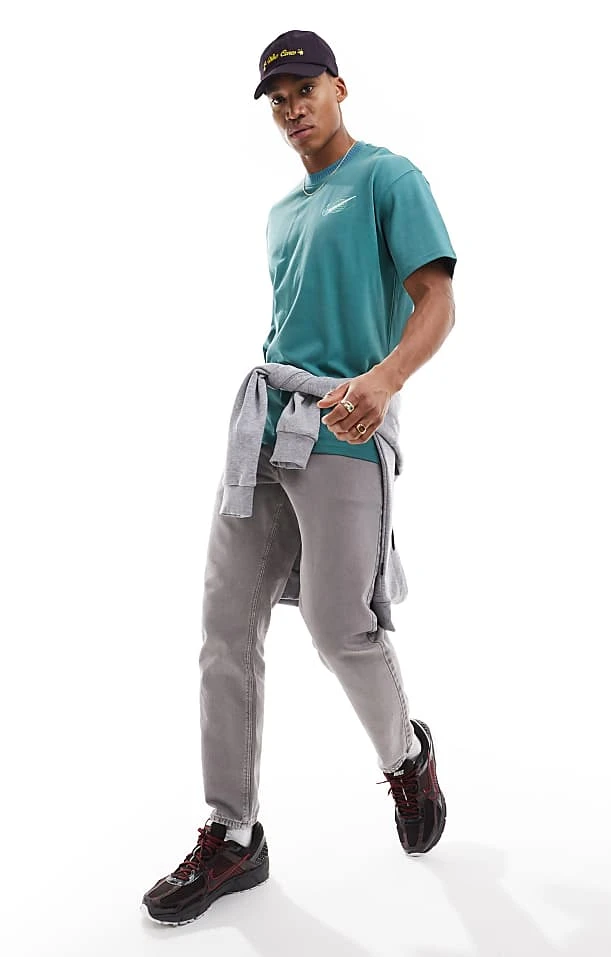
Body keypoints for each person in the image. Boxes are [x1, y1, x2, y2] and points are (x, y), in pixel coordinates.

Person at [142, 28, 457, 926]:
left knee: (338, 626)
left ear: (338, 87)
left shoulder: (388, 178)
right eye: (277, 99)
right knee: (223, 627)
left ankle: (406, 758)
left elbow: (437, 301)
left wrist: (383, 382)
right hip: (266, 428)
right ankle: (233, 833)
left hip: (344, 427)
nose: (291, 108)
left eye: (304, 89)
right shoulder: (282, 211)